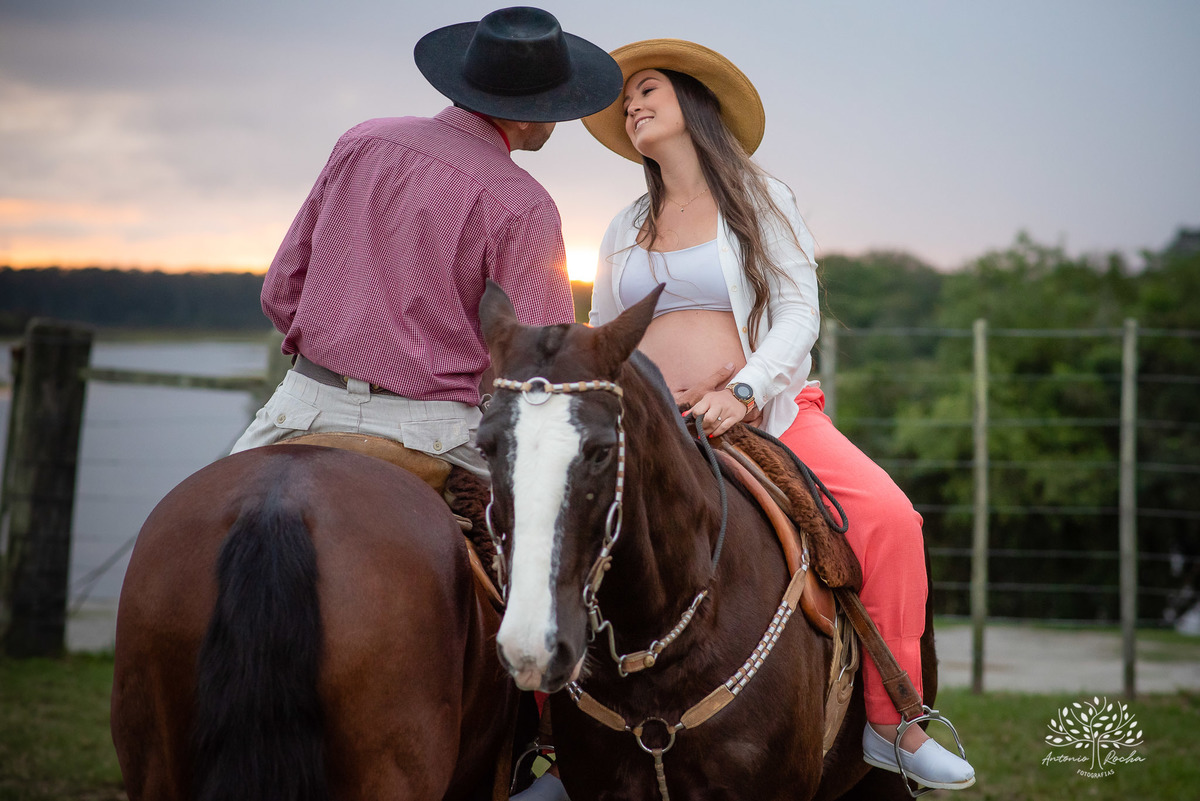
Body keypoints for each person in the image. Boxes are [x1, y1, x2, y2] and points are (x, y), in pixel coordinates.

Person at [582, 39, 976, 792]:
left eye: (649, 89)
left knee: (893, 520)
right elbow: (605, 330)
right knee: (549, 536)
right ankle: (557, 746)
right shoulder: (623, 223)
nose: (632, 104)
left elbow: (798, 310)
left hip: (761, 416)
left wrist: (746, 388)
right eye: (627, 97)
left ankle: (896, 725)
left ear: (694, 100)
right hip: (644, 430)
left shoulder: (761, 200)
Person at [230, 7, 622, 489]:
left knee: (199, 537)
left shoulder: (363, 140)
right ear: (530, 116)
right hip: (434, 431)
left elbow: (281, 292)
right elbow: (536, 363)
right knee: (550, 553)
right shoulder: (523, 203)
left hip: (304, 404)